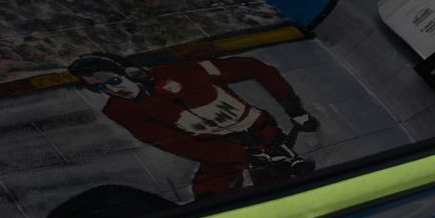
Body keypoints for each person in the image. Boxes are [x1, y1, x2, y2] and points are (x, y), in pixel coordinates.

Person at [71, 50, 319, 200]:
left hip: (263, 134)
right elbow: (181, 145)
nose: (113, 90)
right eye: (99, 87)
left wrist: (294, 109)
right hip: (220, 150)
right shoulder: (121, 111)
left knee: (279, 183)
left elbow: (253, 67)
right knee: (207, 194)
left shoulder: (187, 71)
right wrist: (240, 155)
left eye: (113, 80)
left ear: (132, 72)